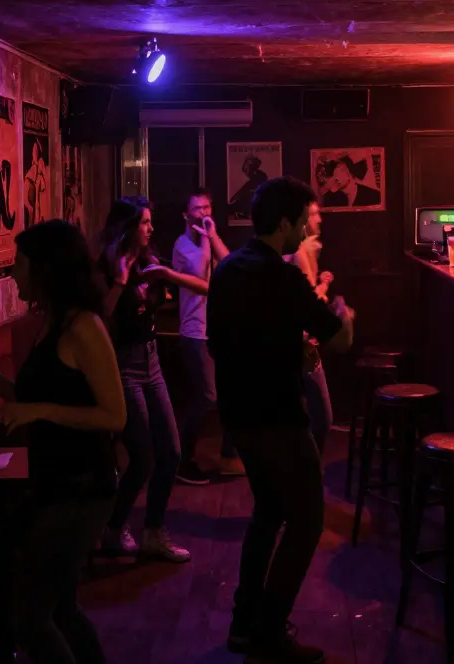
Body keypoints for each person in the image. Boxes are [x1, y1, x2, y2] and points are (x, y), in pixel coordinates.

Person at [208, 177, 356, 663]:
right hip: (278, 415)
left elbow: (219, 344)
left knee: (268, 513)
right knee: (307, 520)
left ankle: (244, 623)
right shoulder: (283, 276)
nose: (305, 233)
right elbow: (338, 341)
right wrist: (343, 312)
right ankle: (269, 632)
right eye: (302, 221)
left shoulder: (228, 269)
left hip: (239, 417)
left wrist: (287, 349)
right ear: (285, 222)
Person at [0, 220, 126, 664]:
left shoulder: (84, 327)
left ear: (46, 269)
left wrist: (38, 412)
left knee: (29, 616)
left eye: (19, 264)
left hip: (84, 487)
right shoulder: (52, 321)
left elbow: (114, 415)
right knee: (60, 608)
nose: (14, 274)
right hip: (57, 481)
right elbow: (52, 395)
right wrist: (1, 385)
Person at [97, 197, 208, 563]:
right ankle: (112, 528)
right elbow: (100, 320)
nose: (150, 228)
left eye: (150, 221)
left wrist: (166, 277)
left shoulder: (151, 260)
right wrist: (119, 282)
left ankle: (153, 533)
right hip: (124, 366)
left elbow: (204, 286)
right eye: (144, 222)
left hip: (152, 362)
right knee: (142, 458)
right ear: (127, 226)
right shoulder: (107, 266)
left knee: (172, 452)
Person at [170, 189, 241, 485]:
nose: (203, 213)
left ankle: (229, 456)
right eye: (197, 208)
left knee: (233, 395)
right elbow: (200, 274)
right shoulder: (183, 244)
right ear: (186, 215)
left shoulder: (208, 238)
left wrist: (212, 236)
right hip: (195, 331)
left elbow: (232, 267)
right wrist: (203, 238)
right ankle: (181, 458)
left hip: (219, 330)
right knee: (207, 396)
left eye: (207, 207)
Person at [285, 201, 336, 456]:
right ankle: (308, 474)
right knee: (323, 418)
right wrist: (324, 286)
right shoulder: (300, 251)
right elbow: (310, 301)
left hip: (293, 343)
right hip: (302, 346)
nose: (319, 219)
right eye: (313, 214)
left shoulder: (304, 249)